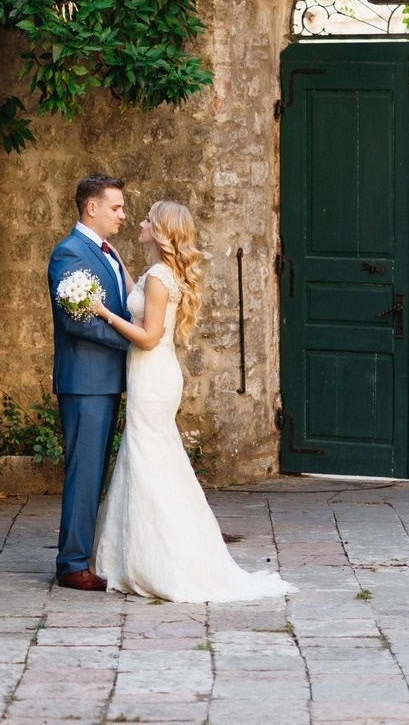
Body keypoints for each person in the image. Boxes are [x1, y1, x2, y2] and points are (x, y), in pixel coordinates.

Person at [89, 200, 295, 603]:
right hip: (154, 373)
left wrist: (102, 313)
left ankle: (160, 560)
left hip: (152, 373)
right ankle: (139, 554)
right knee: (151, 459)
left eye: (148, 219)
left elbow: (147, 336)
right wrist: (114, 260)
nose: (140, 222)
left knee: (148, 458)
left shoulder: (160, 277)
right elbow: (136, 292)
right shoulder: (157, 274)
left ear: (162, 231)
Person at [46, 174, 130, 591]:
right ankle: (71, 564)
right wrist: (131, 342)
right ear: (90, 207)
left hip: (107, 380)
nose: (123, 215)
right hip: (85, 380)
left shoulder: (109, 252)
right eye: (116, 207)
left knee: (95, 472)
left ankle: (85, 554)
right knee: (84, 473)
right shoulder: (69, 253)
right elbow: (75, 320)